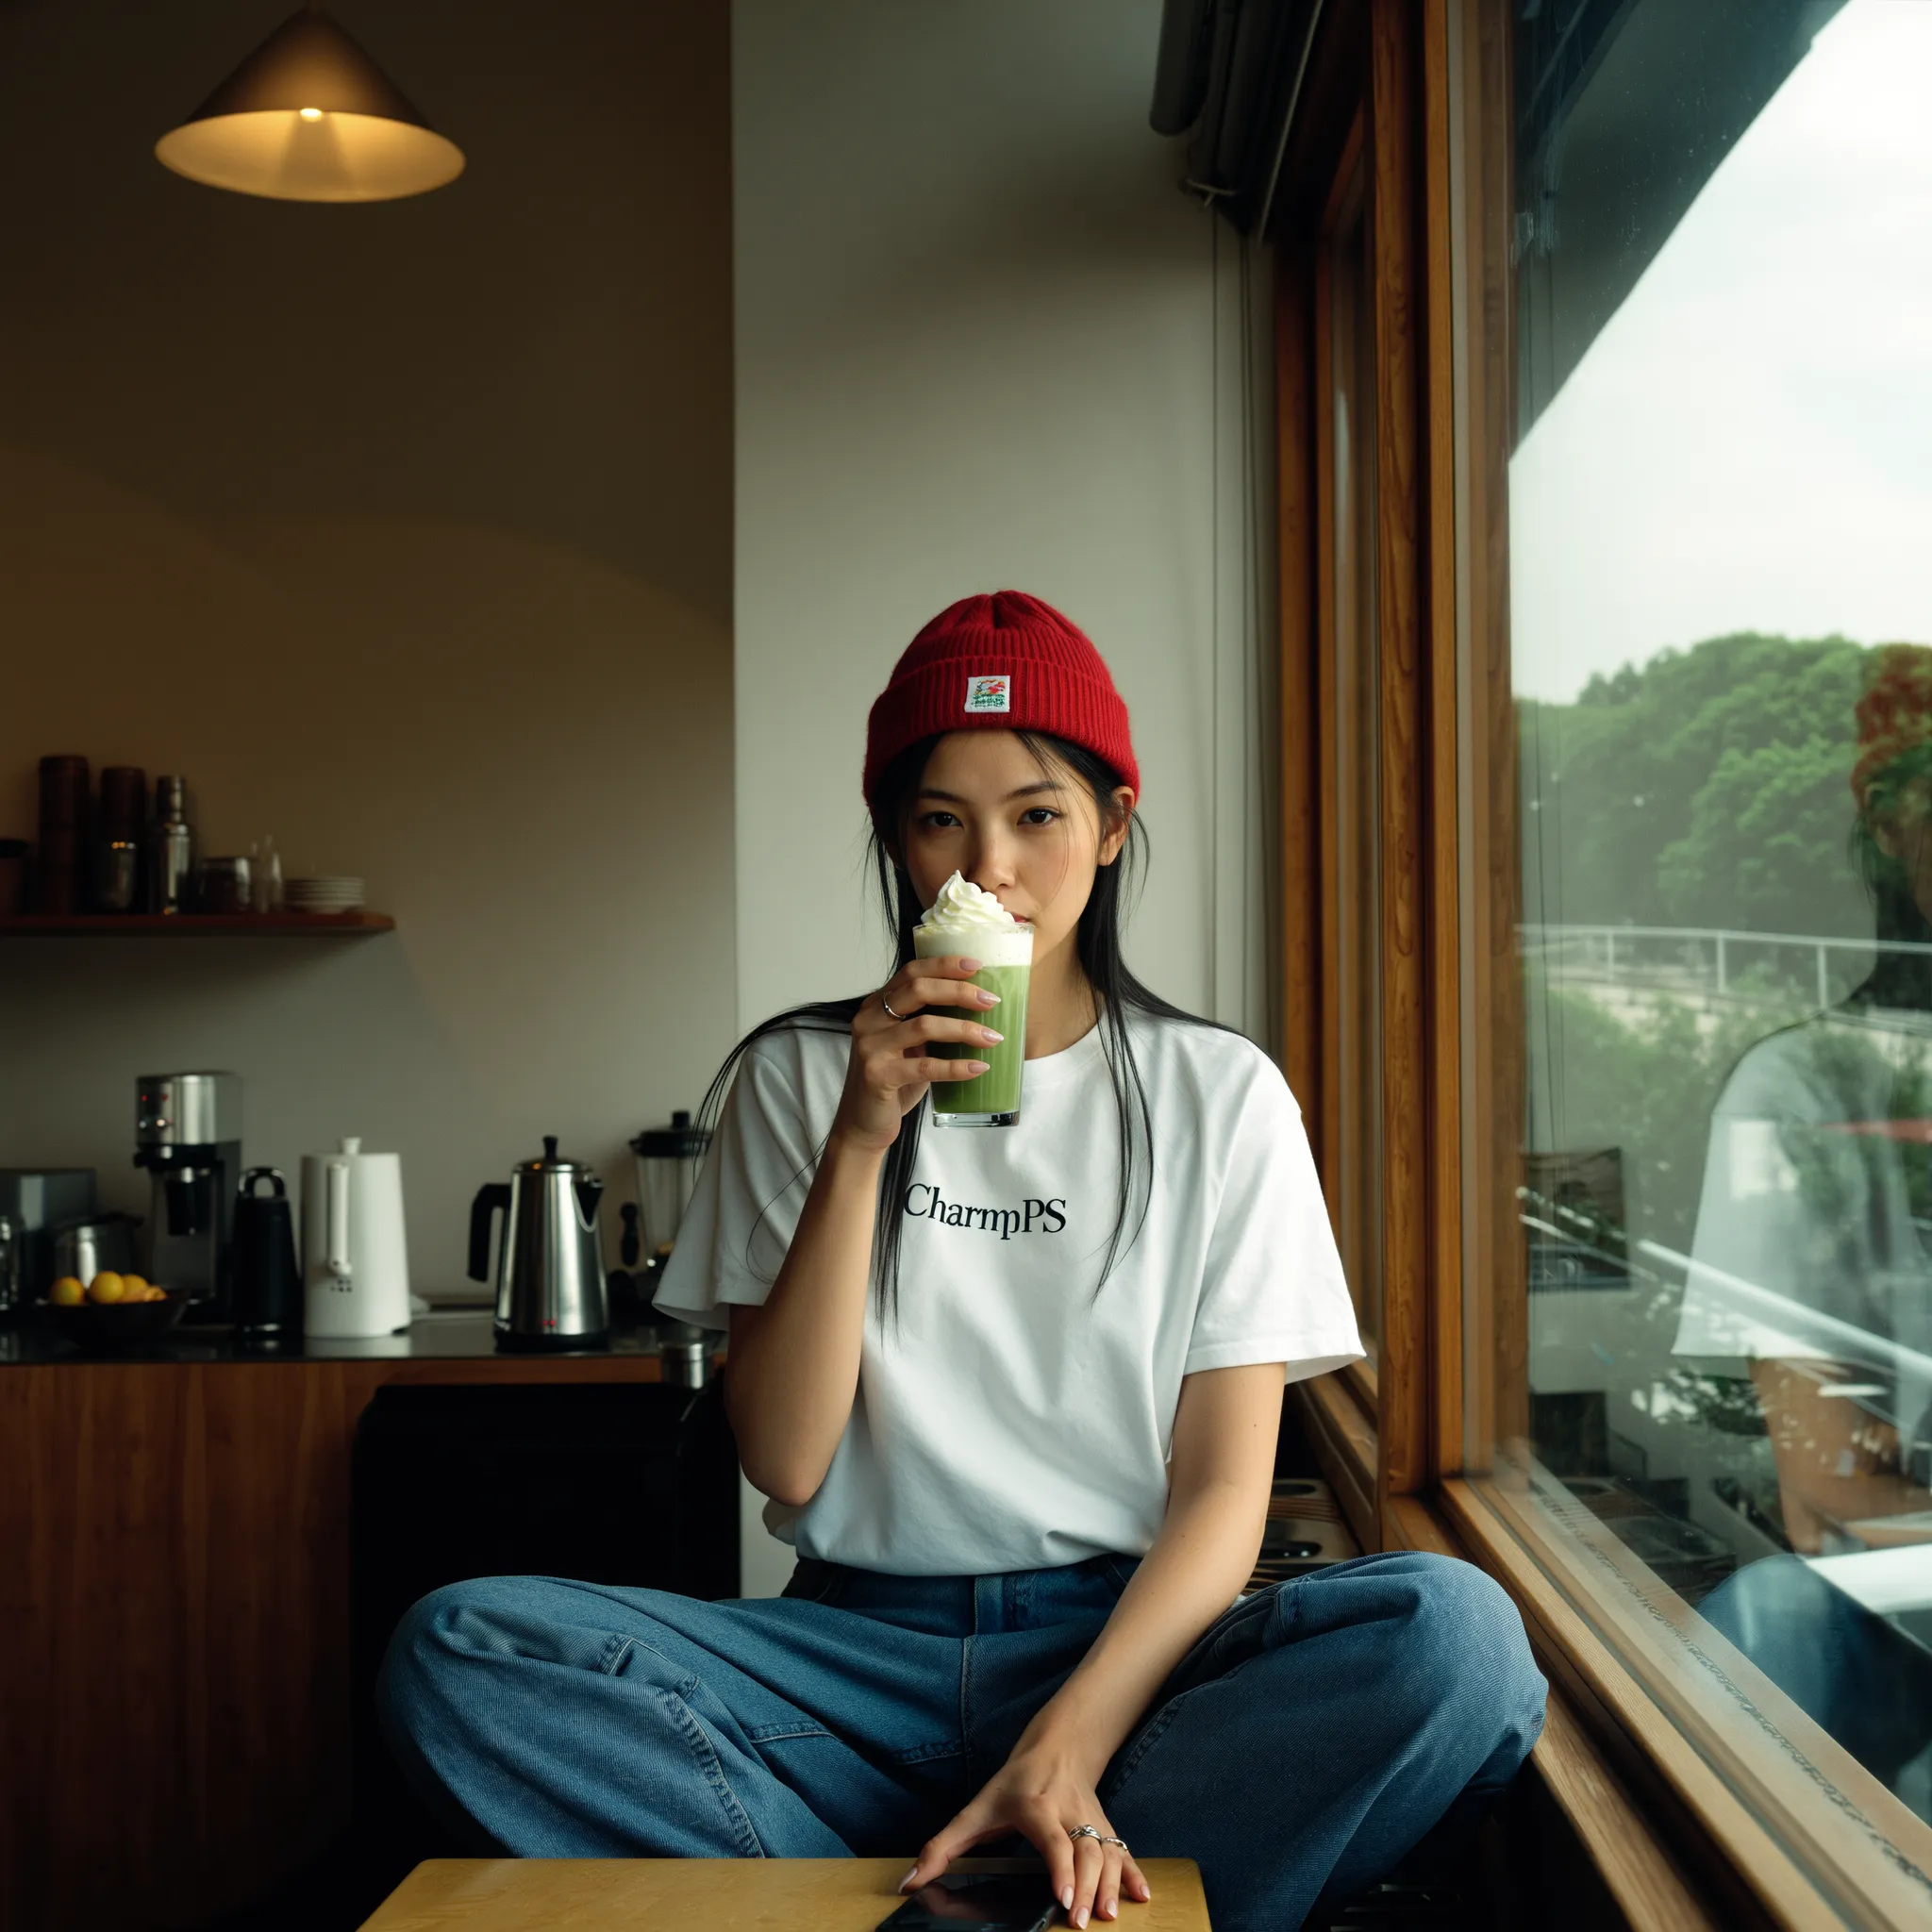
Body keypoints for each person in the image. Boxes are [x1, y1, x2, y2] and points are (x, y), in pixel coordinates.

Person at [379, 592, 1547, 1929]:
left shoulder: (1219, 1093)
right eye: (941, 818)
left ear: (1112, 828)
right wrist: (866, 1132)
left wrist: (1067, 1742)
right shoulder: (797, 1077)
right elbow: (787, 1459)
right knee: (458, 1654)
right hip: (843, 1654)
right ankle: (1020, 1899)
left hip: (1114, 1649)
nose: (985, 869)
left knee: (1455, 1639)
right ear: (896, 838)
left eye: (1038, 814)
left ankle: (898, 1874)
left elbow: (1226, 1490)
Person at [1676, 641, 1932, 1808]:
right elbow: (1821, 1483)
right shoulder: (1800, 1091)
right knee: (1768, 1619)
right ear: (1886, 823)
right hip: (1894, 1610)